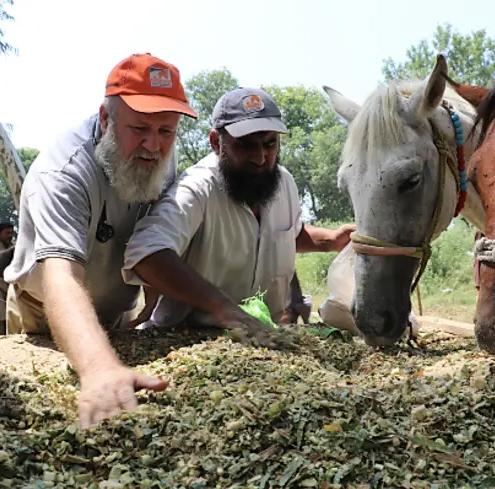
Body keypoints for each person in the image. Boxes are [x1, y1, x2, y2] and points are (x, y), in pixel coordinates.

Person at [2, 53, 197, 428]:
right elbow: (61, 276)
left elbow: (157, 231)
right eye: (139, 128)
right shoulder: (63, 172)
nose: (153, 146)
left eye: (165, 131)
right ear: (106, 119)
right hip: (42, 315)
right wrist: (97, 367)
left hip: (115, 316)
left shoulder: (162, 159)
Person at [122, 87, 355, 342]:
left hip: (264, 339)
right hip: (189, 340)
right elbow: (146, 253)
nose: (260, 157)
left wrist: (332, 240)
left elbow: (287, 233)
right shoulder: (197, 188)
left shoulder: (283, 182)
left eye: (270, 143)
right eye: (245, 145)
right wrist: (221, 306)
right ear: (216, 143)